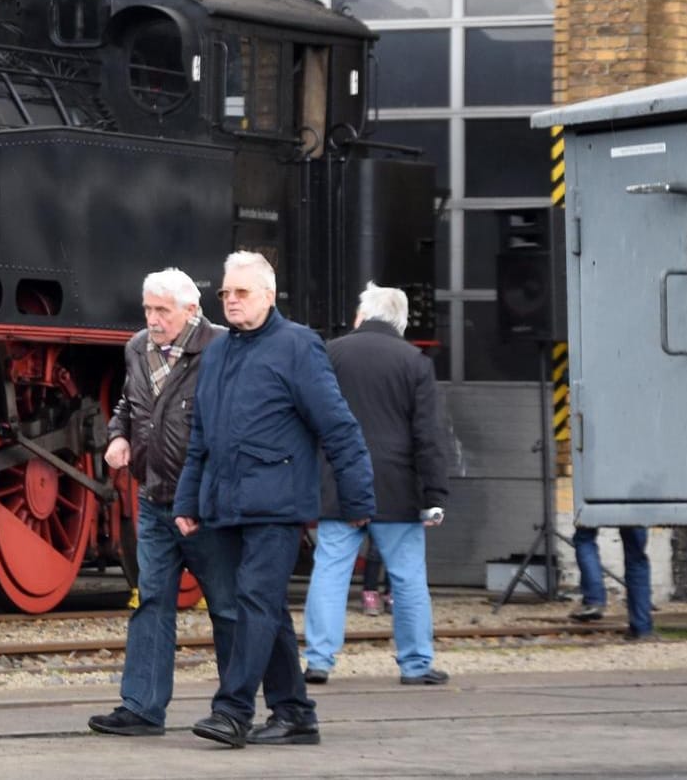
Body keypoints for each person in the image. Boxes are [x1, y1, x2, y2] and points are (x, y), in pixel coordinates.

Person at [172, 251, 374, 749]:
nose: (232, 301)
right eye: (225, 293)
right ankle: (295, 713)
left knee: (254, 603)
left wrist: (358, 500)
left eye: (241, 292)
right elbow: (201, 435)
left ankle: (233, 711)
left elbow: (338, 427)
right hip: (227, 502)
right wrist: (187, 501)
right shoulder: (217, 352)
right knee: (267, 610)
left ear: (268, 294)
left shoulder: (298, 346)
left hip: (278, 504)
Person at [88, 269, 238, 737]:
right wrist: (118, 438)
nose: (152, 320)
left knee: (226, 605)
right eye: (148, 309)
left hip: (204, 507)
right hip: (154, 499)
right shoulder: (137, 348)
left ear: (191, 310)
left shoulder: (223, 349)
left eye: (162, 311)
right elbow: (129, 405)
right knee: (151, 601)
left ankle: (235, 710)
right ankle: (142, 706)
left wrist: (205, 497)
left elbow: (234, 426)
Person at [301, 282, 452, 687]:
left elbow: (309, 418)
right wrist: (435, 494)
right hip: (396, 487)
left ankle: (318, 660)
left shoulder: (330, 353)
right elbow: (428, 435)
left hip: (339, 482)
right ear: (400, 321)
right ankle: (416, 664)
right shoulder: (414, 362)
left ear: (361, 315)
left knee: (330, 571)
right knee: (407, 577)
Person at [571, 525, 656, 640]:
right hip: (636, 509)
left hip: (596, 506)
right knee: (636, 556)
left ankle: (594, 600)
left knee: (584, 539)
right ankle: (642, 628)